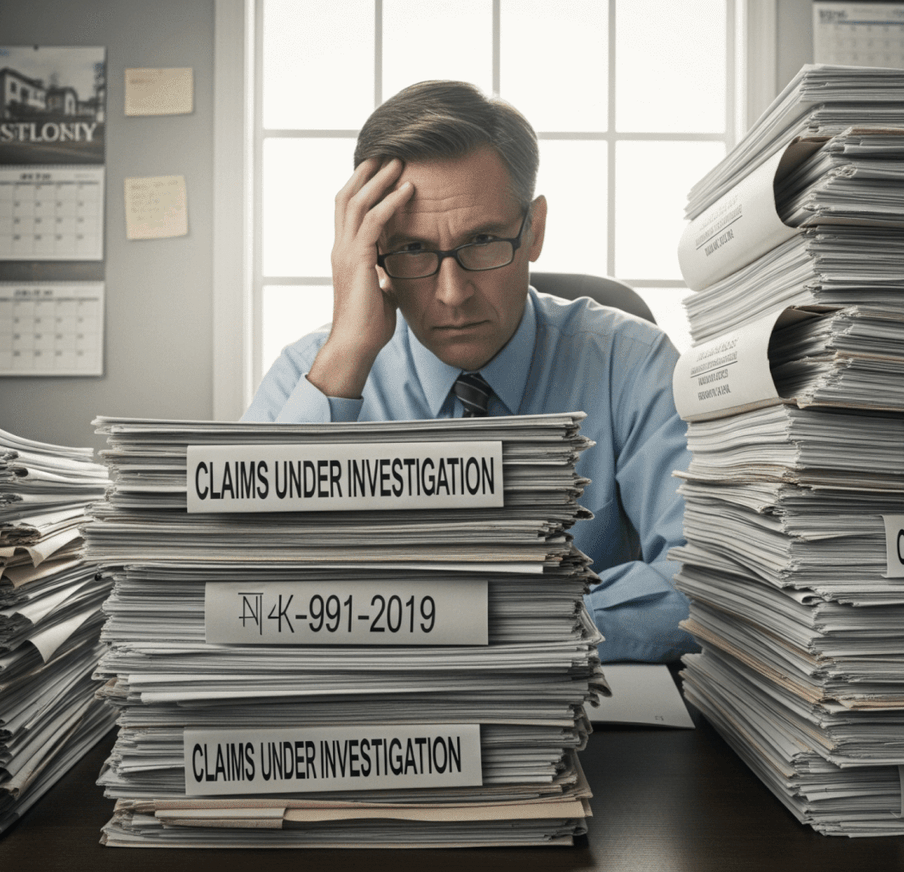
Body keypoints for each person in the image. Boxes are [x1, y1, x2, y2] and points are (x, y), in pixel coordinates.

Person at [243, 80, 697, 663]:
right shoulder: (313, 375)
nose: (452, 294)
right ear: (371, 249)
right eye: (411, 250)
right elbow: (241, 592)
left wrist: (481, 625)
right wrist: (346, 354)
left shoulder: (632, 363)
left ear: (533, 230)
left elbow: (705, 582)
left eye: (482, 240)